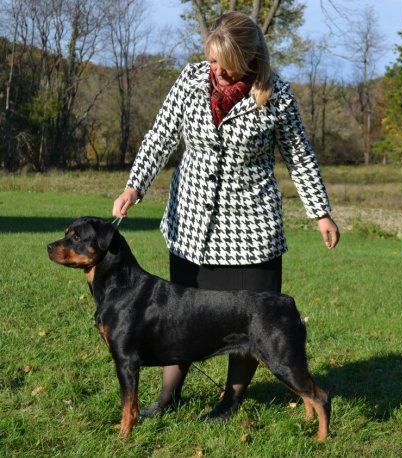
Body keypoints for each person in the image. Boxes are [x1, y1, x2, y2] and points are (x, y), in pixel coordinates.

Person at [112, 11, 340, 422]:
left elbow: (300, 156)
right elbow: (160, 136)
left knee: (253, 321)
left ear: (249, 57)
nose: (215, 70)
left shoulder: (276, 95)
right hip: (191, 225)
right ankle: (167, 396)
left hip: (252, 228)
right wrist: (134, 186)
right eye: (211, 59)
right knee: (179, 316)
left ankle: (231, 401)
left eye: (224, 62)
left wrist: (320, 213)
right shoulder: (190, 81)